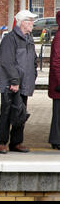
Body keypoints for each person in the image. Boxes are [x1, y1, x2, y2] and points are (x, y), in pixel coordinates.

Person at [0, 10, 38, 154]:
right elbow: (7, 62)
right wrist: (14, 80)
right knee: (6, 112)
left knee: (20, 112)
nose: (32, 23)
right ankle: (0, 142)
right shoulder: (10, 39)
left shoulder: (29, 39)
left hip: (24, 83)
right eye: (30, 20)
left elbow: (33, 60)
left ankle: (16, 142)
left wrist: (34, 74)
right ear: (22, 23)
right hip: (11, 84)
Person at [48, 11, 60, 150]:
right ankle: (56, 139)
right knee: (57, 113)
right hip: (58, 84)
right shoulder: (59, 38)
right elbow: (56, 62)